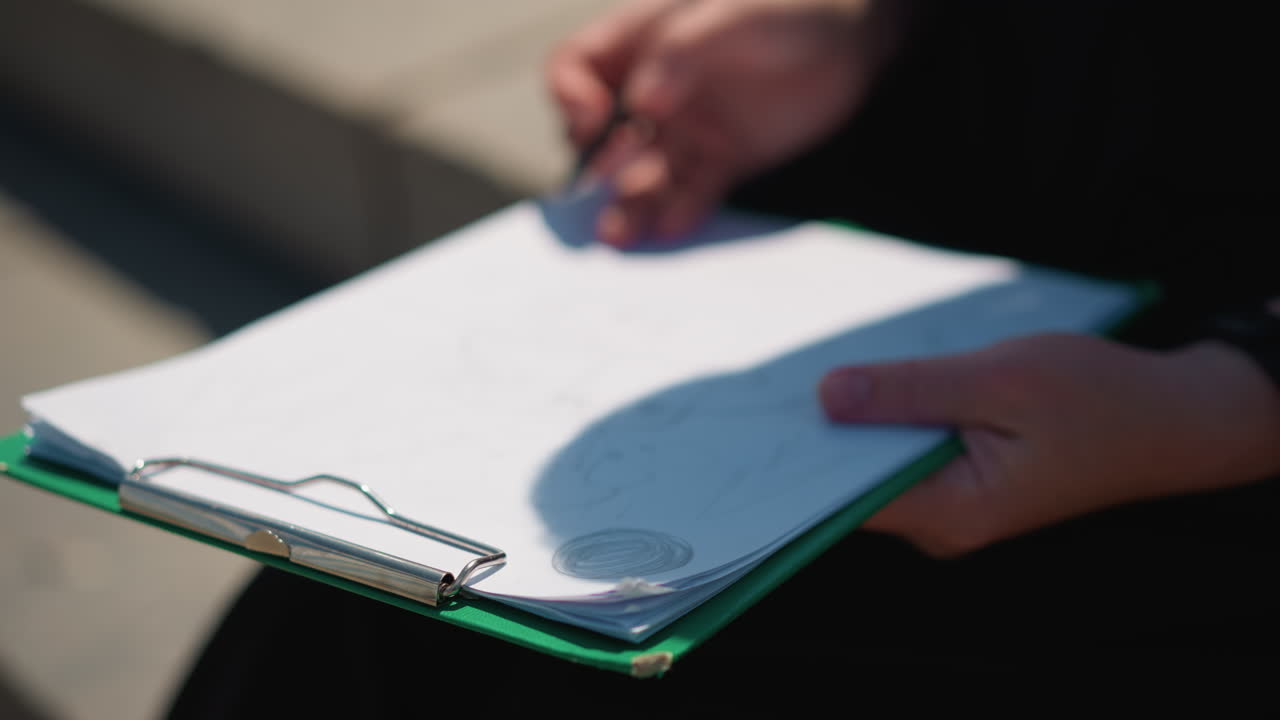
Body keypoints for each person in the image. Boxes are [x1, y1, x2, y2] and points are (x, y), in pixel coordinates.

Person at [167, 2, 1280, 715]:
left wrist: (1236, 400)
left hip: (1207, 422)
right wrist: (863, 25)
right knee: (359, 598)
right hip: (1003, 161)